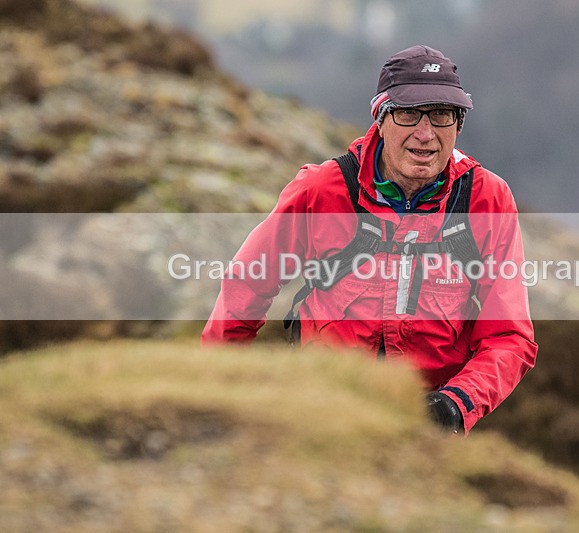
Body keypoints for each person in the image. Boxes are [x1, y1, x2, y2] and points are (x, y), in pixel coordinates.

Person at [202, 45, 538, 435]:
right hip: (318, 414)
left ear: (458, 125)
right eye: (408, 113)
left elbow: (508, 336)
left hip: (425, 428)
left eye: (442, 115)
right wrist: (216, 396)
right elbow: (246, 285)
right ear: (380, 118)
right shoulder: (322, 190)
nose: (425, 133)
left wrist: (455, 404)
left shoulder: (486, 200)